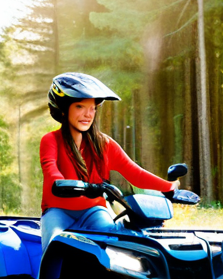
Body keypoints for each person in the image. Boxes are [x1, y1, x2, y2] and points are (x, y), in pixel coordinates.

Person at [40, 72, 178, 251]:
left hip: (94, 211)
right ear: (63, 109)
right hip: (58, 211)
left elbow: (135, 173)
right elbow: (52, 176)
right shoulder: (51, 140)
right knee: (54, 246)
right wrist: (88, 187)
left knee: (115, 240)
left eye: (93, 108)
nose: (88, 114)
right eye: (80, 106)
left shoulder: (104, 144)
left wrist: (170, 188)